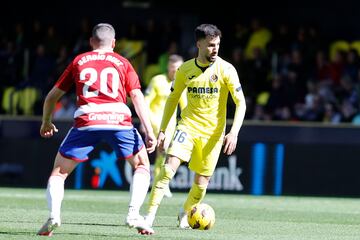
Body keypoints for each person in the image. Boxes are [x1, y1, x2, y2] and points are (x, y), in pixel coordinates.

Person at [37, 23, 156, 236]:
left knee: (59, 172)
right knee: (141, 165)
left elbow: (52, 97)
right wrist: (148, 130)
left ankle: (54, 215)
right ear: (114, 43)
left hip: (87, 120)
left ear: (92, 42)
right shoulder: (123, 62)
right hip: (118, 119)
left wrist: (46, 122)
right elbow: (137, 96)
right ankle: (133, 214)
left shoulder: (78, 61)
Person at [144, 23, 247, 228]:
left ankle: (185, 212)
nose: (215, 49)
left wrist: (233, 133)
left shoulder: (226, 69)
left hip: (214, 135)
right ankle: (148, 218)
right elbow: (172, 100)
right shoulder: (185, 70)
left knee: (201, 184)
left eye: (217, 44)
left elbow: (240, 102)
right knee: (167, 169)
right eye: (210, 45)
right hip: (188, 127)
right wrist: (163, 130)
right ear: (198, 44)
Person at [144, 54, 186, 198]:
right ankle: (161, 185)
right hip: (155, 122)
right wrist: (146, 124)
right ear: (168, 66)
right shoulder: (157, 80)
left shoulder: (181, 83)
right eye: (173, 68)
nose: (175, 71)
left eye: (179, 68)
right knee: (165, 152)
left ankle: (158, 184)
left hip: (170, 126)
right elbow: (146, 102)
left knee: (162, 155)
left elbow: (184, 107)